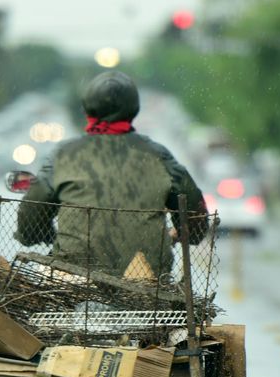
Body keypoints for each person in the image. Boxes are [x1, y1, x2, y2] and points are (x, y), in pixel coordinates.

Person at [15, 71, 208, 277]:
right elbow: (195, 219)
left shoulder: (64, 155)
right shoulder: (159, 156)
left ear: (87, 108)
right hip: (148, 283)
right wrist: (182, 233)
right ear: (134, 109)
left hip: (73, 279)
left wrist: (40, 235)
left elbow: (31, 219)